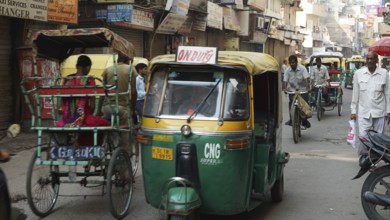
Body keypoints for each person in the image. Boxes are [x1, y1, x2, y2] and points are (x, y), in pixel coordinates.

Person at [351, 52, 390, 160]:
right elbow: (355, 94)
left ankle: (375, 159)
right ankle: (364, 157)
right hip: (364, 112)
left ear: (377, 60)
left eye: (372, 59)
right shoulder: (359, 73)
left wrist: (389, 111)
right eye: (368, 59)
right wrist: (353, 111)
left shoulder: (384, 73)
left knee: (378, 138)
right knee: (364, 137)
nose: (370, 61)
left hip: (379, 112)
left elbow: (387, 93)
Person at [56, 55, 109, 127]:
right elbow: (92, 106)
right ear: (87, 67)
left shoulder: (66, 79)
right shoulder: (90, 80)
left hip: (66, 120)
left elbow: (61, 103)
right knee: (105, 122)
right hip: (83, 119)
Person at [98, 53, 137, 126]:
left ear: (117, 60)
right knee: (125, 133)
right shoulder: (131, 69)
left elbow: (102, 92)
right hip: (123, 108)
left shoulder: (107, 70)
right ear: (128, 61)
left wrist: (98, 110)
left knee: (109, 132)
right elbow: (134, 92)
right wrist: (133, 110)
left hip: (106, 108)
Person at [283, 54, 311, 129]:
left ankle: (304, 120)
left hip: (302, 90)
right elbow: (285, 80)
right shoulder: (287, 70)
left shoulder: (302, 68)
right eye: (291, 63)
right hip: (292, 90)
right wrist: (285, 88)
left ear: (296, 62)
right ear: (289, 63)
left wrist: (307, 87)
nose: (292, 64)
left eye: (294, 62)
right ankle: (292, 119)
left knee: (304, 105)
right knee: (291, 103)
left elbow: (306, 79)